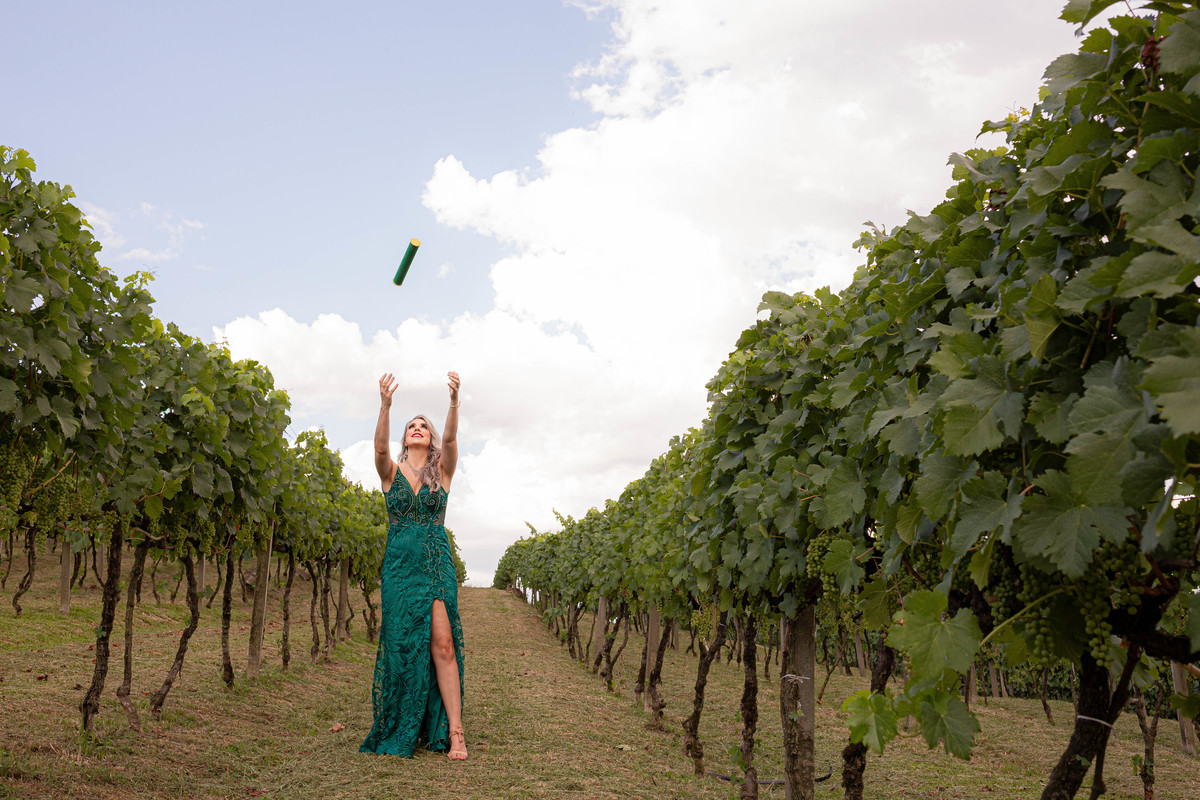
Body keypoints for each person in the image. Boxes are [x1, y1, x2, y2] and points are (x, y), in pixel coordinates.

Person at [359, 370, 467, 760]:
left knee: (443, 643)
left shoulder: (442, 472)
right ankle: (404, 723)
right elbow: (377, 450)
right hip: (400, 567)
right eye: (412, 426)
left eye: (424, 425)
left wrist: (453, 402)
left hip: (436, 563)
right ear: (404, 438)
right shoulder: (391, 473)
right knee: (402, 645)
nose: (418, 428)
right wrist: (385, 407)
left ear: (430, 436)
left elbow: (452, 439)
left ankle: (455, 733)